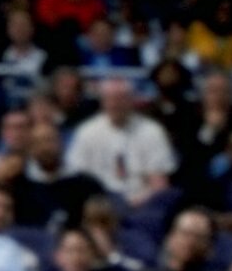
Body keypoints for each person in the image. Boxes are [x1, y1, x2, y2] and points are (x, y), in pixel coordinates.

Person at [68, 77, 176, 209]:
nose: (115, 104)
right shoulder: (86, 132)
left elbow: (159, 184)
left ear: (132, 100)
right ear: (103, 101)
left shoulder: (152, 131)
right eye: (111, 99)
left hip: (142, 204)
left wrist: (132, 204)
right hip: (97, 206)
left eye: (121, 98)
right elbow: (79, 178)